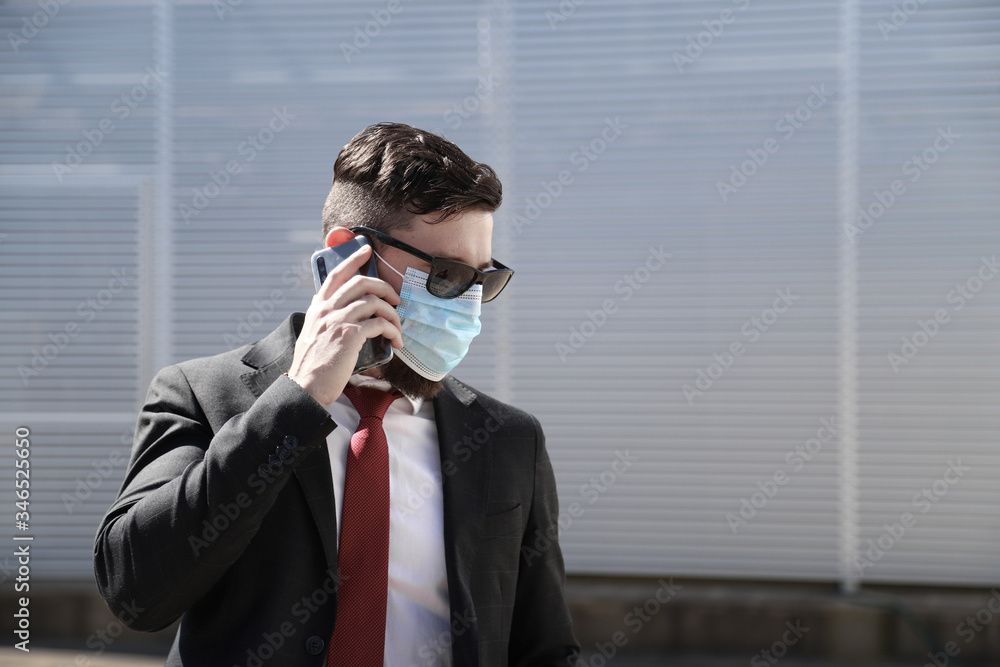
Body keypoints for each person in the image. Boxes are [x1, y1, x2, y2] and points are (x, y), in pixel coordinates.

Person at [93, 122, 580, 666]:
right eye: (444, 275)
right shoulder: (203, 394)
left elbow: (545, 648)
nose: (466, 305)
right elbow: (136, 594)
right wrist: (297, 400)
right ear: (350, 254)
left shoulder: (509, 439)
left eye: (481, 281)